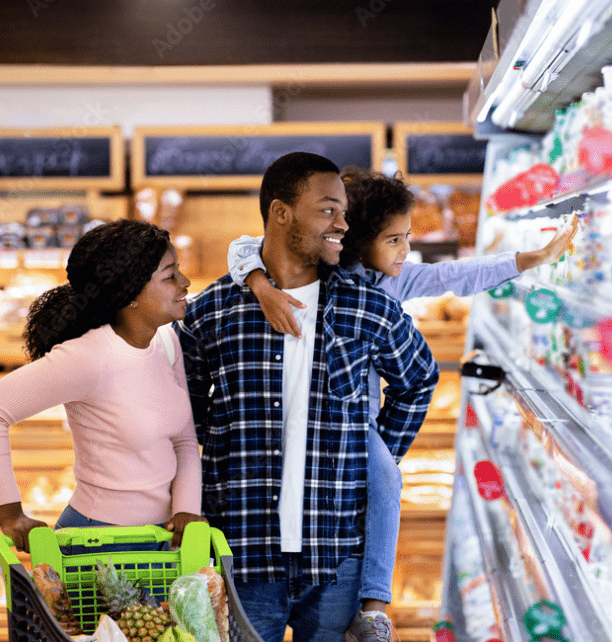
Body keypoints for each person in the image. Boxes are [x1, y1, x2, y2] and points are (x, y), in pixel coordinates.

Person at [227, 167, 580, 641]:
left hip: (355, 424)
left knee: (386, 477)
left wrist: (530, 259)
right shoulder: (312, 268)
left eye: (407, 238)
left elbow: (455, 275)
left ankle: (374, 603)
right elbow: (243, 246)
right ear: (356, 240)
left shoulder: (391, 282)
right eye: (394, 240)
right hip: (290, 421)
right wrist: (260, 285)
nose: (405, 250)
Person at [177, 153, 439, 642]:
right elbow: (183, 412)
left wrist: (371, 454)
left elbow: (418, 379)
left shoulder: (368, 308)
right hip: (243, 552)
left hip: (336, 555)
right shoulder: (212, 312)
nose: (343, 224)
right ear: (281, 213)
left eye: (344, 211)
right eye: (327, 210)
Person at [0, 219, 206, 554]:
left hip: (162, 540)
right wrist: (10, 516)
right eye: (169, 276)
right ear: (130, 294)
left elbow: (184, 441)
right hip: (99, 543)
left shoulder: (166, 342)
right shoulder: (88, 357)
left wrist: (186, 511)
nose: (185, 282)